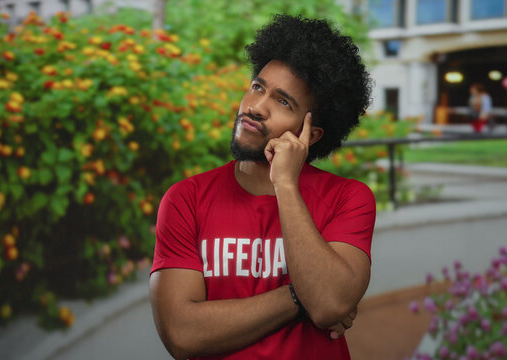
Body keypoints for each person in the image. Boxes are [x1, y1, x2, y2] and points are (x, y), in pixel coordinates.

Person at [149, 14, 375, 360]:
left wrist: (285, 183)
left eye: (283, 102)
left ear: (310, 134)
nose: (256, 107)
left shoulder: (347, 198)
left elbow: (329, 303)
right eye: (258, 87)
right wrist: (300, 297)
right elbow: (181, 333)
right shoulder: (186, 199)